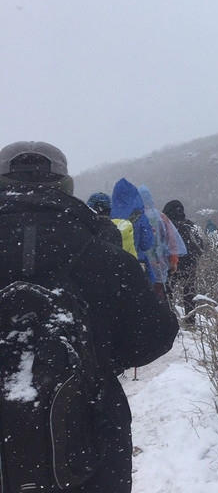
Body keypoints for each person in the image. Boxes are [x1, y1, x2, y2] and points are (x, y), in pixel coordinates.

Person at [0, 141, 178, 493]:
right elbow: (156, 336)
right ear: (66, 187)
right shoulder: (106, 258)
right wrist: (96, 357)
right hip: (88, 442)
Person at [162, 200, 205, 316]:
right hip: (190, 264)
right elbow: (200, 245)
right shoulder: (190, 225)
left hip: (172, 264)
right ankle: (191, 320)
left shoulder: (166, 226)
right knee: (189, 292)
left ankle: (169, 317)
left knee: (168, 291)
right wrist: (193, 258)